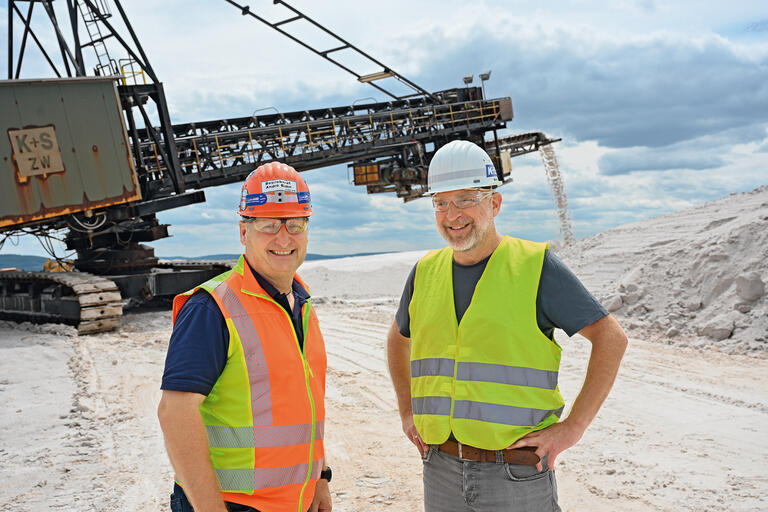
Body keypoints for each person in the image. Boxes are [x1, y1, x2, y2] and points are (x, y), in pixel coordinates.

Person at [386, 140, 628, 511]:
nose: (452, 214)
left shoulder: (535, 266)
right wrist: (407, 412)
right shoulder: (424, 273)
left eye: (466, 199)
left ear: (494, 204)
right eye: (441, 202)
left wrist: (573, 427)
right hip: (440, 468)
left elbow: (610, 337)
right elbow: (397, 339)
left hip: (514, 474)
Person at [158, 162, 332, 512]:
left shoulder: (300, 301)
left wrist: (320, 477)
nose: (284, 239)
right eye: (269, 226)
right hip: (231, 504)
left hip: (294, 502)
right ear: (243, 232)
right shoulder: (212, 308)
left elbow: (302, 405)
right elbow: (174, 412)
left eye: (294, 225)